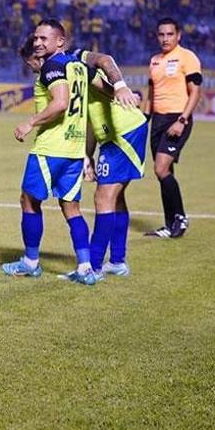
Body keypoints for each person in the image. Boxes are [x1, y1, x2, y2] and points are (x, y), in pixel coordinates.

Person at [0, 22, 93, 283]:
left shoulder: (53, 65)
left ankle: (30, 262)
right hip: (74, 149)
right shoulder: (78, 65)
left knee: (28, 201)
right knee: (71, 208)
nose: (38, 43)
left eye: (44, 38)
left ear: (60, 41)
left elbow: (61, 103)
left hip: (51, 148)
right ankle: (85, 267)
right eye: (36, 38)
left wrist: (29, 122)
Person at [81, 56, 149, 279]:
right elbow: (91, 121)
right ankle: (117, 261)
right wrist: (88, 155)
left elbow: (105, 61)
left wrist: (119, 87)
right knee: (116, 198)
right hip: (118, 135)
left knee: (103, 198)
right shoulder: (73, 77)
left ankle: (93, 266)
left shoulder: (78, 65)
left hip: (124, 134)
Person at [142, 18, 203, 238]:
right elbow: (151, 96)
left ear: (179, 36)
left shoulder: (187, 58)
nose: (165, 38)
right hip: (157, 121)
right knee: (164, 173)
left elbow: (195, 92)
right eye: (161, 34)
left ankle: (180, 218)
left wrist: (182, 120)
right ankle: (169, 225)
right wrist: (142, 122)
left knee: (160, 168)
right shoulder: (154, 61)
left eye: (169, 34)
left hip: (177, 119)